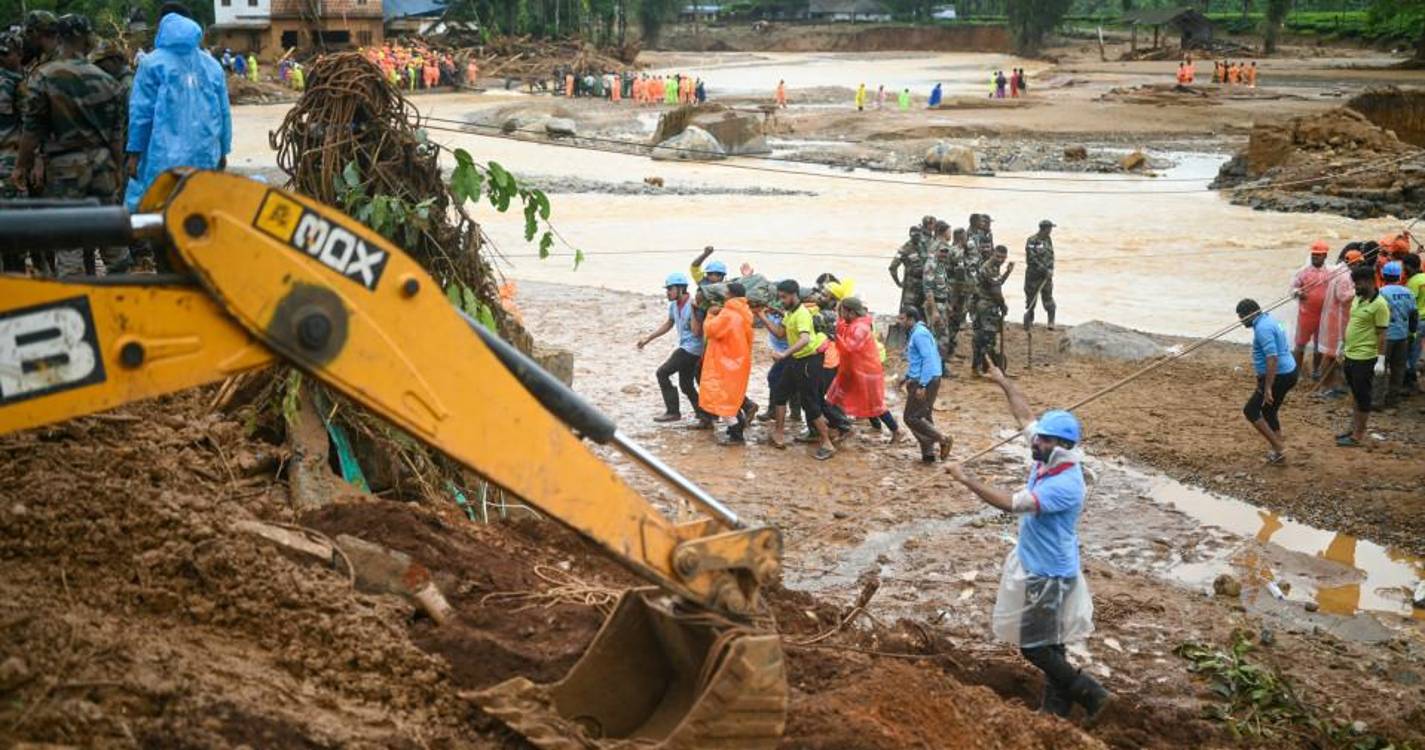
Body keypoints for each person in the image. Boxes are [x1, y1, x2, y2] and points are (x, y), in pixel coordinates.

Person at [945, 364, 1112, 722]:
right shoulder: (1047, 454)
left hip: (1050, 573)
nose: (1035, 442)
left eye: (1044, 440)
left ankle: (1093, 693)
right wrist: (1003, 381)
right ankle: (1056, 708)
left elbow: (1010, 504)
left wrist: (966, 478)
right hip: (1040, 564)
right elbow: (1025, 415)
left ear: (1062, 446)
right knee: (1052, 641)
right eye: (1039, 438)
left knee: (1034, 647)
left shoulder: (1066, 485)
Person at [14, 13, 129, 277]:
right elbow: (116, 134)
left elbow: (32, 130)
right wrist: (117, 169)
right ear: (85, 37)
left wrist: (22, 166)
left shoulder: (44, 77)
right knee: (110, 233)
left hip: (65, 168)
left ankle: (77, 300)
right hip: (102, 165)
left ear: (60, 37)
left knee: (69, 242)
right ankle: (122, 293)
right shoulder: (106, 80)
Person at [124, 11, 231, 215]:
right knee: (198, 209)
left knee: (161, 210)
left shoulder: (151, 64)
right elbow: (224, 112)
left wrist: (134, 153)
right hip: (205, 153)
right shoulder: (212, 65)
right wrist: (224, 149)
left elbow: (141, 113)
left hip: (162, 156)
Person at [767, 280, 836, 460]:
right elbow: (780, 333)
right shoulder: (790, 313)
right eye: (779, 297)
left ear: (794, 295)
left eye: (784, 297)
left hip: (808, 361)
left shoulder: (802, 314)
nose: (781, 301)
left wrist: (784, 354)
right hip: (796, 360)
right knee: (780, 393)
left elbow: (805, 339)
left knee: (810, 403)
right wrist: (761, 315)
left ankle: (827, 443)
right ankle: (779, 434)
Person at [827, 296, 900, 444]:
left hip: (866, 373)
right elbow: (841, 326)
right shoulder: (852, 323)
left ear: (850, 312)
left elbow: (850, 347)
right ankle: (843, 428)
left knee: (875, 405)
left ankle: (896, 431)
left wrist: (834, 338)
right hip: (852, 370)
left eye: (842, 311)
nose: (840, 315)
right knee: (833, 398)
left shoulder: (860, 328)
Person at [638, 272, 707, 424]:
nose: (667, 292)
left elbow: (698, 331)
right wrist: (648, 339)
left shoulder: (694, 304)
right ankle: (704, 416)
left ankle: (673, 412)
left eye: (670, 289)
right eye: (667, 289)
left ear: (681, 289)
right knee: (686, 385)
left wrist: (696, 311)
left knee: (662, 373)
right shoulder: (674, 306)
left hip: (692, 349)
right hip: (686, 347)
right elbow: (669, 324)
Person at [1236, 298, 1298, 464]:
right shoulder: (1269, 320)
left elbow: (1272, 358)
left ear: (1249, 314)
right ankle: (1279, 452)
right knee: (1269, 411)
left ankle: (1278, 447)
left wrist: (1268, 387)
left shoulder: (1263, 328)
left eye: (1241, 317)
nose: (1241, 322)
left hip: (1280, 375)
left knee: (1250, 410)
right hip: (1289, 371)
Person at [1338, 265, 1389, 447]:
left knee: (1363, 397)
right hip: (1350, 354)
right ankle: (1353, 428)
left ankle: (1358, 435)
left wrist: (1381, 360)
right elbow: (1352, 323)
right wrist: (1342, 346)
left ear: (1368, 281)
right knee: (1355, 394)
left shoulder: (1380, 305)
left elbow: (1382, 334)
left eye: (1357, 284)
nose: (1355, 287)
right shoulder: (1358, 299)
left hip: (1365, 357)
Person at [700, 282, 756, 445]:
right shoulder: (744, 313)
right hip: (739, 362)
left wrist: (710, 315)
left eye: (726, 292)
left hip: (725, 363)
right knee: (731, 398)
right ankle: (736, 428)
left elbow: (711, 330)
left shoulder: (728, 314)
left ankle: (736, 434)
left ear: (731, 295)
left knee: (722, 400)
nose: (724, 294)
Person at [898, 305, 950, 462]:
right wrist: (906, 377)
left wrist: (922, 385)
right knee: (924, 415)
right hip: (925, 377)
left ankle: (943, 439)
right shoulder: (918, 332)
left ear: (911, 319)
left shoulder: (919, 334)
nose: (900, 322)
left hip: (926, 379)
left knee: (911, 417)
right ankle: (928, 453)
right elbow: (919, 360)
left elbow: (928, 359)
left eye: (902, 319)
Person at [1317, 249, 1364, 397]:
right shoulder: (1344, 276)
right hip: (1337, 319)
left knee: (1332, 353)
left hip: (1334, 316)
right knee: (1331, 354)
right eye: (1359, 263)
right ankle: (1326, 387)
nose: (1359, 266)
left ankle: (1334, 384)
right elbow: (1343, 297)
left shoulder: (1338, 270)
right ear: (1353, 262)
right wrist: (1358, 290)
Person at [1290, 240, 1333, 379]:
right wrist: (1297, 293)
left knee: (1319, 346)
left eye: (1319, 255)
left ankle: (1316, 371)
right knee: (1300, 344)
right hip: (1306, 314)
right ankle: (1295, 372)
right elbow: (1292, 289)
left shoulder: (1331, 272)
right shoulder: (1303, 272)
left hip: (1324, 315)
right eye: (1314, 254)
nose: (1315, 257)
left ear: (1325, 256)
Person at [1378, 261, 1418, 407]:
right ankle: (1392, 400)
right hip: (1402, 336)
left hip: (1384, 337)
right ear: (1399, 276)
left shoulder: (1380, 293)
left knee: (1379, 368)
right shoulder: (1408, 292)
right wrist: (1412, 332)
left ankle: (1376, 400)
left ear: (1383, 275)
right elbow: (1414, 315)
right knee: (1398, 370)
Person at [972, 245, 1014, 374]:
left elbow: (997, 283)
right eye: (998, 256)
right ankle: (982, 368)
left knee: (982, 337)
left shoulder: (994, 267)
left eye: (1003, 257)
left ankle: (980, 367)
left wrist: (1007, 272)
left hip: (985, 304)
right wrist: (1003, 305)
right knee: (986, 338)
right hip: (985, 306)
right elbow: (995, 291)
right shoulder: (989, 267)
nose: (1000, 259)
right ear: (993, 254)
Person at [889, 225, 929, 319]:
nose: (917, 237)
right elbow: (892, 268)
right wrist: (898, 282)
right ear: (910, 235)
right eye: (915, 235)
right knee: (909, 313)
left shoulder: (924, 246)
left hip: (924, 285)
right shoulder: (904, 249)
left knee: (923, 313)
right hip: (911, 287)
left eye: (919, 235)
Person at [1023, 220, 1056, 331]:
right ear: (1045, 229)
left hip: (1046, 277)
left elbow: (1051, 256)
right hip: (1033, 275)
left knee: (1048, 298)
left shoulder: (1048, 240)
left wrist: (1050, 269)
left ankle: (1051, 322)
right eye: (1050, 228)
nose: (1051, 230)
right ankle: (1029, 321)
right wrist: (1044, 269)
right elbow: (1031, 259)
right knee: (1031, 299)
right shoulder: (1032, 240)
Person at [1404, 253, 1424, 393]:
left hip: (1418, 321)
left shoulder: (1412, 282)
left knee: (1412, 351)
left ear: (1409, 267)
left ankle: (1410, 381)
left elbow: (1409, 305)